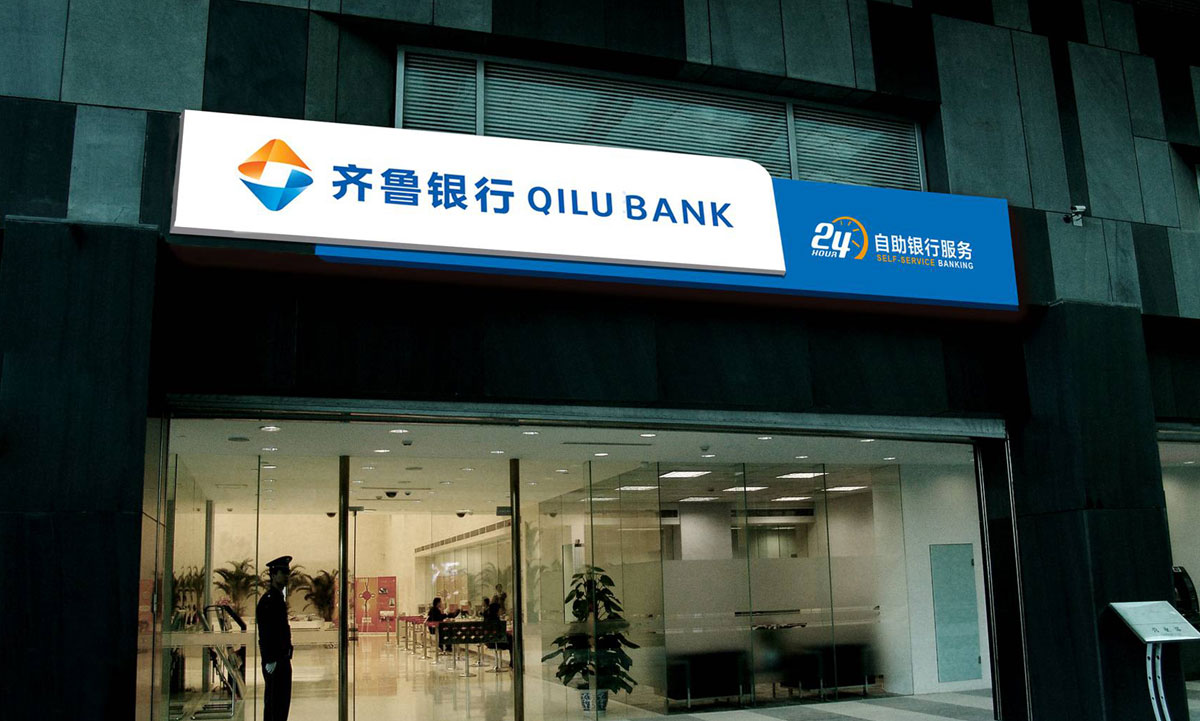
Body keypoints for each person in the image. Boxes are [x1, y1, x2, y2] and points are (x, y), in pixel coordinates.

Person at [257, 556, 293, 721]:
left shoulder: (278, 598)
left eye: (287, 573)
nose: (286, 576)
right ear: (273, 575)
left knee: (282, 704)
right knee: (274, 704)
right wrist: (270, 659)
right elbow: (266, 632)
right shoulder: (269, 600)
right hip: (275, 660)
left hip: (282, 658)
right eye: (282, 573)